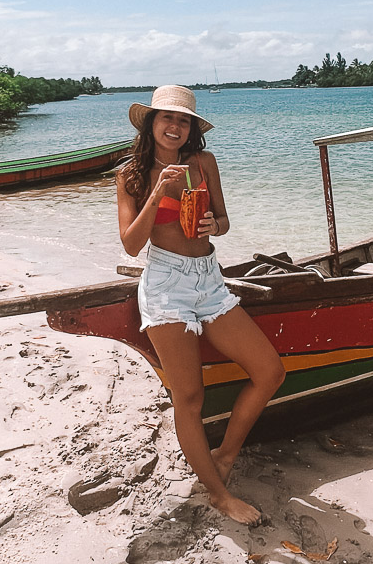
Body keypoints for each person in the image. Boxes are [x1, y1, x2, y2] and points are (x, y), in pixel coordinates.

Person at [116, 85, 285, 526]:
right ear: (150, 123)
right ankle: (220, 494)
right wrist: (157, 193)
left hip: (209, 278)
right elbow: (131, 245)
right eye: (166, 118)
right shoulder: (130, 175)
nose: (174, 127)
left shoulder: (203, 163)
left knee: (270, 371)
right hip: (165, 283)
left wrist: (215, 223)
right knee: (189, 397)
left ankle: (224, 456)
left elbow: (223, 221)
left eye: (183, 120)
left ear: (191, 128)